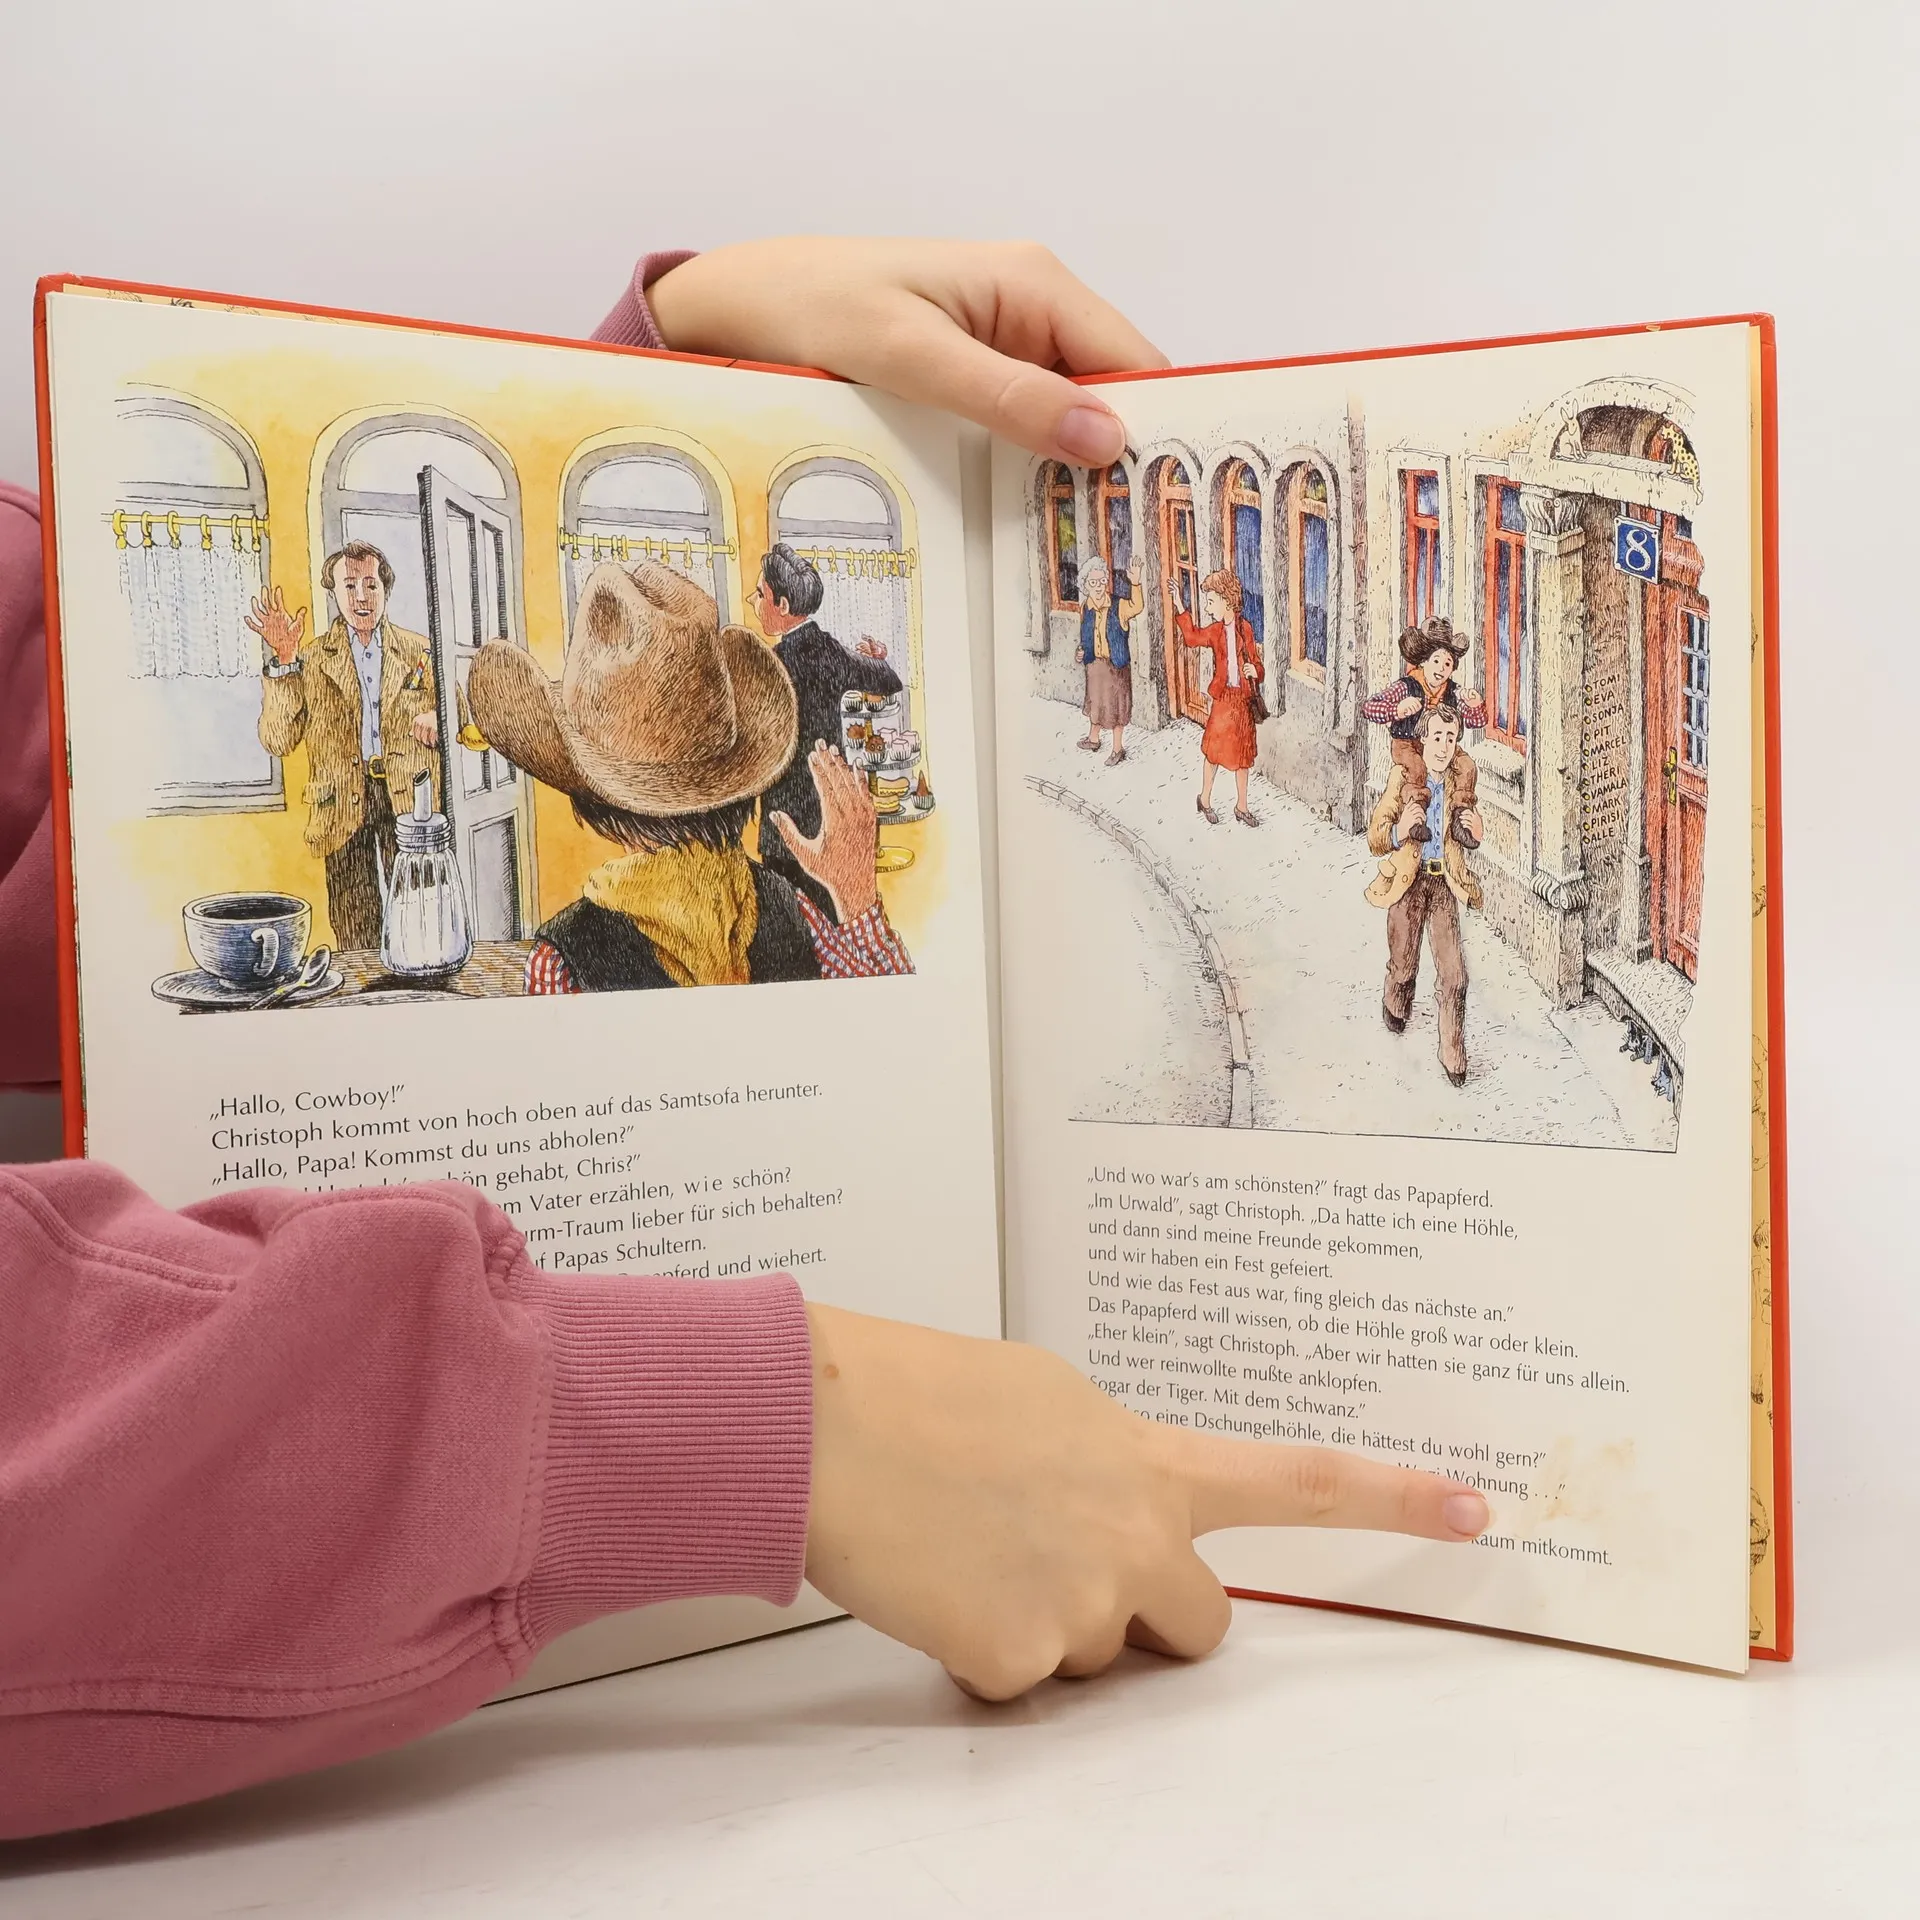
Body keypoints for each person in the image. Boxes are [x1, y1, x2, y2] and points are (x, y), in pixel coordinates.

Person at [0, 240, 1489, 1842]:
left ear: (578, 798)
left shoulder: (547, 970)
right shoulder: (806, 923)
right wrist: (753, 1419)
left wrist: (678, 346)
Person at [468, 557, 912, 990]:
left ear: (598, 797)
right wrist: (857, 901)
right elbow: (893, 1014)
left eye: (760, 593)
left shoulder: (562, 960)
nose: (754, 600)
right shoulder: (789, 906)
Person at [249, 543, 462, 952]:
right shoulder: (310, 658)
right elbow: (278, 739)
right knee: (354, 917)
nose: (361, 597)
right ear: (333, 592)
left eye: (371, 585)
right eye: (349, 586)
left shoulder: (420, 651)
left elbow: (460, 713)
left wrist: (440, 717)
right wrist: (285, 660)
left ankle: (419, 976)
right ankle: (364, 986)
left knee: (417, 906)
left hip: (409, 797)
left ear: (386, 590)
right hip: (340, 801)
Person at [748, 543, 903, 919]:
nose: (752, 601)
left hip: (784, 824)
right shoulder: (832, 651)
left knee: (788, 927)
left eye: (759, 594)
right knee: (833, 921)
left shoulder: (772, 666)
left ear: (782, 605)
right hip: (832, 816)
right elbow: (889, 681)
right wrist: (877, 659)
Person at [1364, 703, 1486, 1087]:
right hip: (1408, 883)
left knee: (1455, 976)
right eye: (1436, 737)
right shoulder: (1403, 778)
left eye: (1451, 738)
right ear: (1422, 740)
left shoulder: (1460, 781)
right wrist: (1400, 830)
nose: (1443, 746)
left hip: (1443, 886)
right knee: (1404, 963)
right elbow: (1375, 836)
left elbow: (1469, 833)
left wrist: (1477, 832)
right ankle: (1396, 999)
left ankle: (1453, 1052)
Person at [1361, 616, 1485, 808]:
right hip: (1408, 744)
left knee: (1467, 766)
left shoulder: (1452, 692)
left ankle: (1461, 810)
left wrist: (1475, 705)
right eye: (1436, 661)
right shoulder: (1406, 686)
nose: (1441, 668)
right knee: (1417, 769)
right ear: (1423, 662)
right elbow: (1369, 708)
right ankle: (1416, 811)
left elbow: (1473, 722)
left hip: (1440, 744)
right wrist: (1396, 710)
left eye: (1447, 664)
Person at [1173, 568, 1265, 825]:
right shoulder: (1215, 631)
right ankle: (1204, 799)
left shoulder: (1245, 629)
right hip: (1223, 699)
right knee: (1213, 752)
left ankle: (1242, 806)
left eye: (1211, 601)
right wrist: (1179, 604)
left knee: (1243, 756)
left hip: (1242, 700)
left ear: (1227, 600)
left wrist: (1255, 671)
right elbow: (1192, 638)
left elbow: (1257, 664)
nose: (1208, 607)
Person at [1075, 554, 1144, 764]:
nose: (1098, 586)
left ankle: (1117, 749)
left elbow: (1137, 606)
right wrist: (1080, 652)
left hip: (1116, 665)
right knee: (1095, 703)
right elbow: (1085, 636)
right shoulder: (1085, 607)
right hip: (1095, 665)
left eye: (1102, 581)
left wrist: (1135, 583)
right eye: (1093, 582)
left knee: (1117, 708)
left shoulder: (1118, 605)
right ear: (1085, 585)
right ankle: (1094, 739)